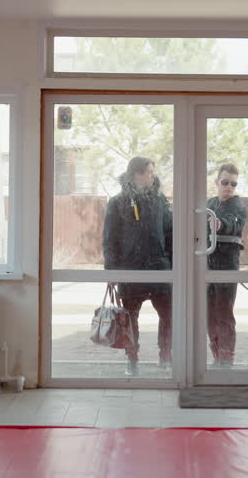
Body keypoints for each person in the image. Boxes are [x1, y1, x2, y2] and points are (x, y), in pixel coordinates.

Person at [102, 156, 173, 376]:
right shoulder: (117, 202)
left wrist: (173, 265)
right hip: (130, 270)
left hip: (160, 270)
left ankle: (166, 357)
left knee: (169, 315)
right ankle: (132, 360)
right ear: (136, 174)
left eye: (152, 171)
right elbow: (109, 239)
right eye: (149, 171)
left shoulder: (160, 200)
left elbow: (170, 234)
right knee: (130, 318)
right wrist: (112, 271)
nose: (153, 175)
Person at [206, 163, 247, 368]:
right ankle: (216, 356)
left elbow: (234, 221)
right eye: (225, 182)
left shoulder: (238, 204)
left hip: (227, 268)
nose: (229, 186)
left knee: (223, 313)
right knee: (208, 313)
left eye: (233, 183)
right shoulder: (209, 203)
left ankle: (226, 358)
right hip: (206, 267)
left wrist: (220, 224)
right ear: (217, 182)